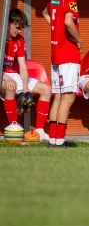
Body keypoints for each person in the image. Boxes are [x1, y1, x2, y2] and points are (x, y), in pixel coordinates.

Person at [42, 0, 85, 148]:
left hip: (56, 53)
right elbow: (69, 22)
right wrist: (79, 40)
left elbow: (45, 13)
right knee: (68, 96)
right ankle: (59, 140)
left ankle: (52, 139)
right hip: (68, 53)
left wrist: (55, 29)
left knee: (58, 96)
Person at [1, 9, 51, 141]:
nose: (19, 31)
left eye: (21, 28)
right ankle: (14, 126)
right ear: (8, 23)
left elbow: (23, 67)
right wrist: (7, 78)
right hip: (2, 75)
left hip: (14, 74)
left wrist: (25, 87)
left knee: (46, 89)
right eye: (17, 27)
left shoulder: (19, 40)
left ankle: (40, 131)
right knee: (11, 86)